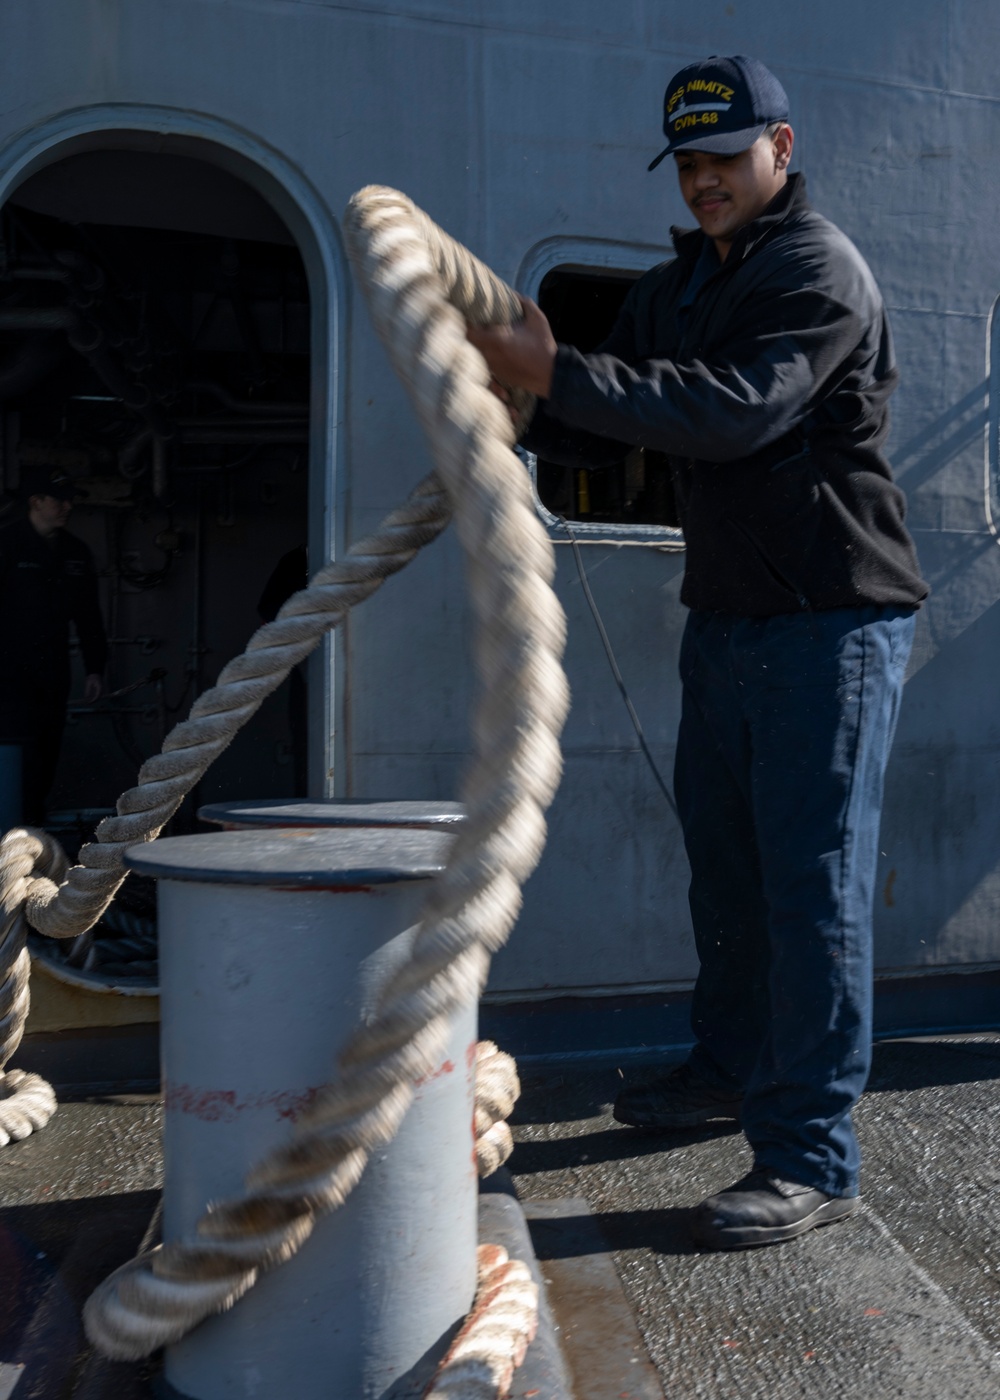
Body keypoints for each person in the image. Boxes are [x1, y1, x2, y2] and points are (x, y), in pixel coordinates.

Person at [468, 54, 928, 1250]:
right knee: (725, 873)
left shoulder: (817, 272)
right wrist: (515, 390)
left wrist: (555, 371)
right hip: (727, 619)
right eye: (687, 163)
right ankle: (728, 1065)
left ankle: (810, 1153)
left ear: (783, 147)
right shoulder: (683, 283)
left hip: (832, 622)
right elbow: (611, 398)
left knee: (810, 892)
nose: (705, 179)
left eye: (726, 156)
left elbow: (730, 410)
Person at [0, 465, 107, 825]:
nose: (67, 507)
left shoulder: (75, 552)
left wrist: (95, 667)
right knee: (13, 751)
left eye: (69, 501)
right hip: (8, 670)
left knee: (46, 750)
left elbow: (89, 615)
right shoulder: (7, 544)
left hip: (52, 668)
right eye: (60, 501)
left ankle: (31, 833)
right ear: (37, 501)